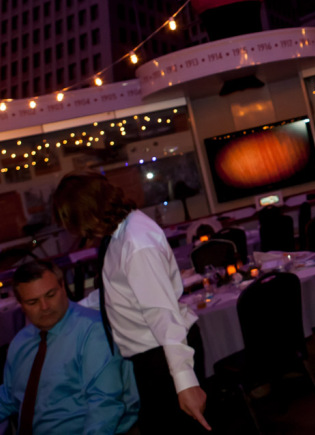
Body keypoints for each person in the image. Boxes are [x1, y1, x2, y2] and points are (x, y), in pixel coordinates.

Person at [52, 172, 210, 433]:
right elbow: (117, 295)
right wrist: (70, 310)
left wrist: (185, 382)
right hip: (152, 357)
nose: (79, 232)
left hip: (164, 354)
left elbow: (163, 314)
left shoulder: (136, 241)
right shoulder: (118, 234)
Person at [0, 260, 138, 435]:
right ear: (20, 304)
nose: (45, 307)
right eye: (33, 302)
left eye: (50, 295)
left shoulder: (93, 331)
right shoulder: (22, 341)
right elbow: (8, 398)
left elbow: (104, 406)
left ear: (62, 287)